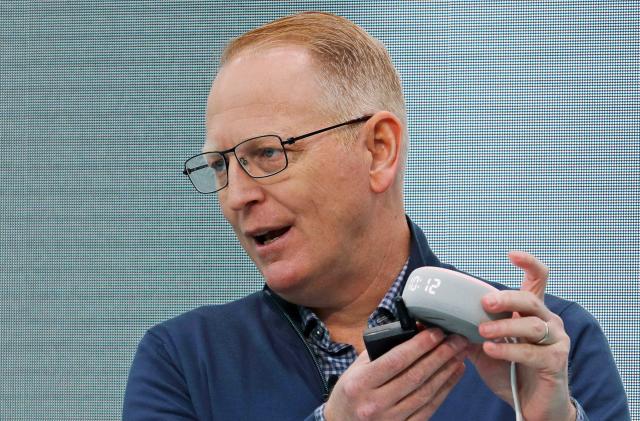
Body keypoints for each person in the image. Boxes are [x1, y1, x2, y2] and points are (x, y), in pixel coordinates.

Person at [122, 12, 629, 420]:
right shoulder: (182, 361)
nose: (236, 196)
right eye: (219, 166)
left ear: (378, 150)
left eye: (269, 153)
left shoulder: (548, 348)